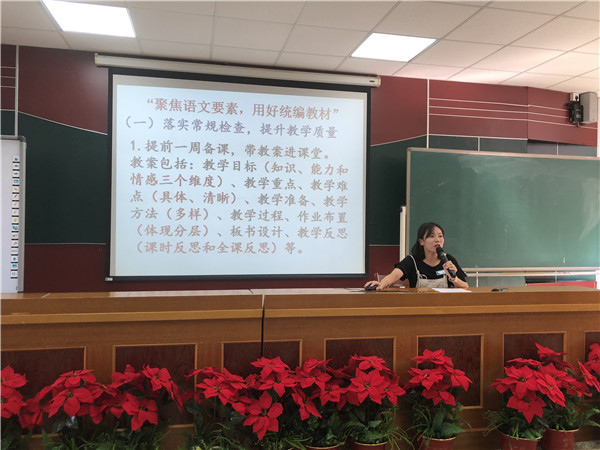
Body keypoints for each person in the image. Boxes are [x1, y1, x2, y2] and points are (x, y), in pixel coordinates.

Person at [365, 222, 468, 290]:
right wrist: (382, 284)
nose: (437, 240)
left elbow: (465, 286)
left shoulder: (448, 259)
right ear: (421, 241)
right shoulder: (412, 261)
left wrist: (454, 278)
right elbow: (394, 276)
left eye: (440, 236)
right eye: (431, 236)